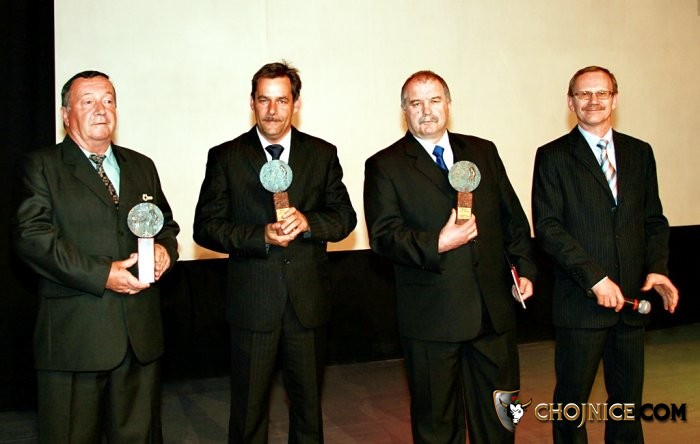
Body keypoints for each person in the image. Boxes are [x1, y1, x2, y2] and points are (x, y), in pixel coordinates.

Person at [363, 70, 536, 443]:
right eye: (416, 103)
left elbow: (513, 221)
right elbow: (383, 237)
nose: (427, 110)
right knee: (438, 427)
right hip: (432, 321)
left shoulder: (483, 152)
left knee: (501, 421)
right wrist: (437, 242)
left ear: (449, 104)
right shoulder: (385, 165)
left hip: (492, 315)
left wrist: (524, 269)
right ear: (404, 110)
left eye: (434, 100)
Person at [12, 70, 180, 443]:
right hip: (76, 338)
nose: (100, 109)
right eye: (88, 101)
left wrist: (165, 252)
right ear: (65, 114)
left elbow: (166, 225)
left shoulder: (142, 166)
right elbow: (32, 238)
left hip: (139, 337)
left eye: (108, 100)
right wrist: (103, 274)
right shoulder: (42, 166)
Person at [193, 61, 356, 443]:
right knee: (248, 411)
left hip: (307, 303)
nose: (272, 110)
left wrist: (309, 222)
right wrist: (260, 235)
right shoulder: (226, 156)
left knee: (308, 410)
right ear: (252, 102)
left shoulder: (322, 154)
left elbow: (344, 217)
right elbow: (206, 227)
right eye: (264, 100)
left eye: (281, 100)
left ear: (295, 103)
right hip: (253, 303)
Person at [532, 65, 679, 443]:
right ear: (571, 102)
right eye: (583, 94)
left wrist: (657, 268)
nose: (593, 100)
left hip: (631, 303)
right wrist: (595, 278)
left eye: (602, 93)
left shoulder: (639, 152)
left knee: (626, 407)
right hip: (580, 304)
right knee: (571, 407)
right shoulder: (552, 156)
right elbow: (548, 228)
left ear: (615, 99)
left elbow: (653, 219)